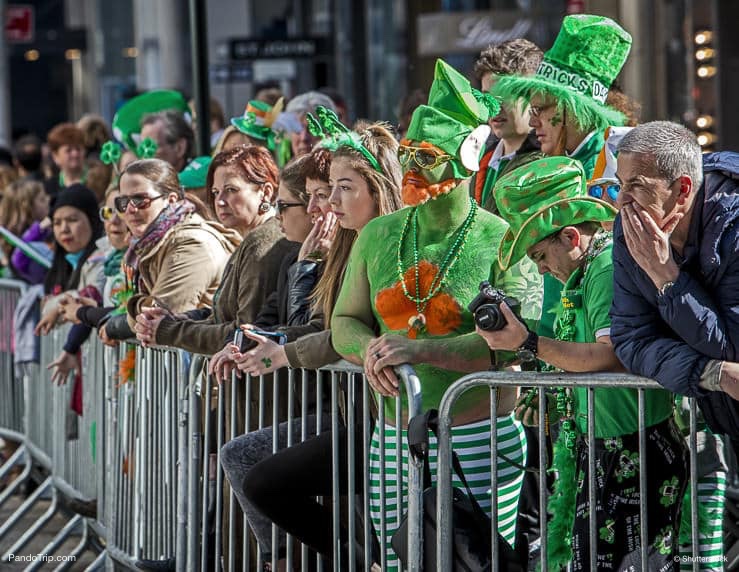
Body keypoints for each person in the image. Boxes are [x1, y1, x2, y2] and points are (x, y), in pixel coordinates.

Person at [277, 60, 534, 570]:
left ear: (467, 158)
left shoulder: (503, 237)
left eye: (430, 155)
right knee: (398, 559)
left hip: (480, 437)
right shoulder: (378, 234)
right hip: (392, 438)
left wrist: (417, 351)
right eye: (411, 152)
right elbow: (346, 320)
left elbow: (508, 340)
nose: (414, 166)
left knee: (474, 562)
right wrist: (371, 350)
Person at [479, 156, 686, 570]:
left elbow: (608, 355)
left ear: (572, 237)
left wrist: (530, 342)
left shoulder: (605, 267)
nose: (539, 270)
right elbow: (577, 356)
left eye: (540, 255)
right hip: (603, 448)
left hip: (636, 448)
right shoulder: (583, 274)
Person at [226, 113, 403, 570]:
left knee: (402, 531)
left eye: (340, 189)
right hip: (363, 412)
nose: (326, 206)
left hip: (391, 414)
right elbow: (320, 325)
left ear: (378, 187)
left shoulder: (390, 240)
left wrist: (284, 349)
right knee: (258, 474)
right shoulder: (347, 241)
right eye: (322, 193)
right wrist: (259, 343)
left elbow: (341, 330)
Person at [611, 121, 739, 571]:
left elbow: (734, 348)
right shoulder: (629, 229)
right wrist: (712, 374)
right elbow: (630, 339)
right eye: (618, 185)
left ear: (682, 189)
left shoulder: (735, 225)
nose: (622, 201)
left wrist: (668, 278)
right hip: (721, 415)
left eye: (636, 187)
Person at [492, 14, 632, 343]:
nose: (533, 119)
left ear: (573, 108)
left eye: (541, 108)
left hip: (601, 346)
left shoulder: (617, 167)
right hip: (562, 342)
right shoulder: (558, 164)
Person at [471, 38, 544, 213]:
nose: (495, 107)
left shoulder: (548, 162)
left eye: (505, 96)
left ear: (535, 96)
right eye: (487, 97)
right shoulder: (479, 157)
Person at [44, 123, 87, 198]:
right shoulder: (48, 188)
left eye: (78, 149)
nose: (75, 154)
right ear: (55, 156)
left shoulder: (97, 181)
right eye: (69, 150)